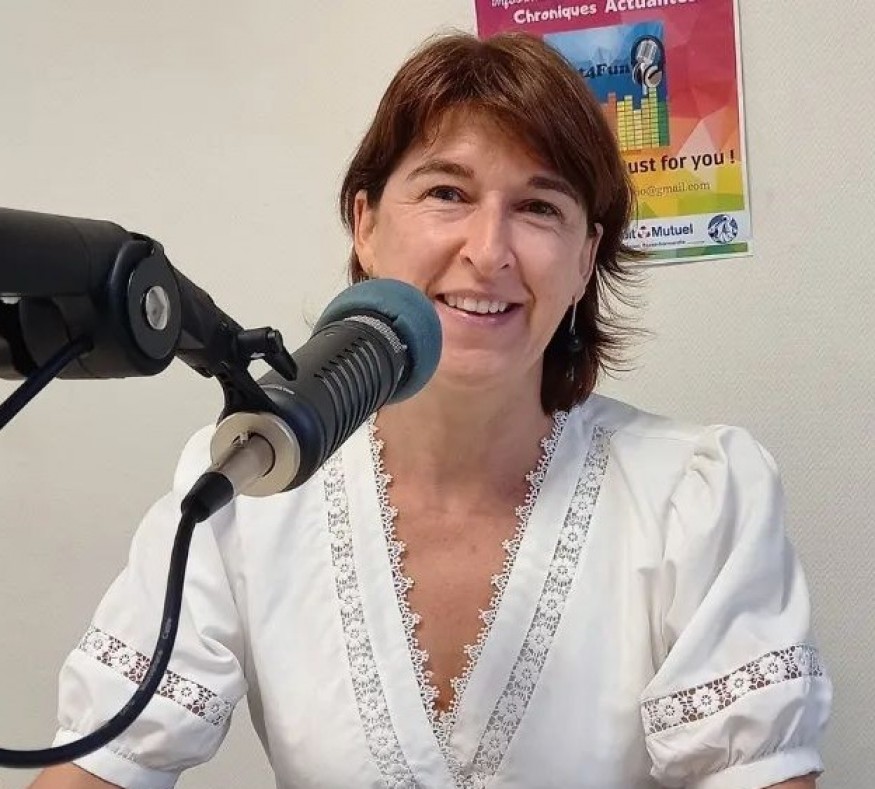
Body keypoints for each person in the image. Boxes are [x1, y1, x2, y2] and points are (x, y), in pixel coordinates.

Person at [32, 31, 830, 789]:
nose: (488, 251)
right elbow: (104, 762)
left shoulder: (694, 495)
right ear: (366, 224)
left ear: (586, 257)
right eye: (447, 192)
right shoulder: (251, 477)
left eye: (539, 207)